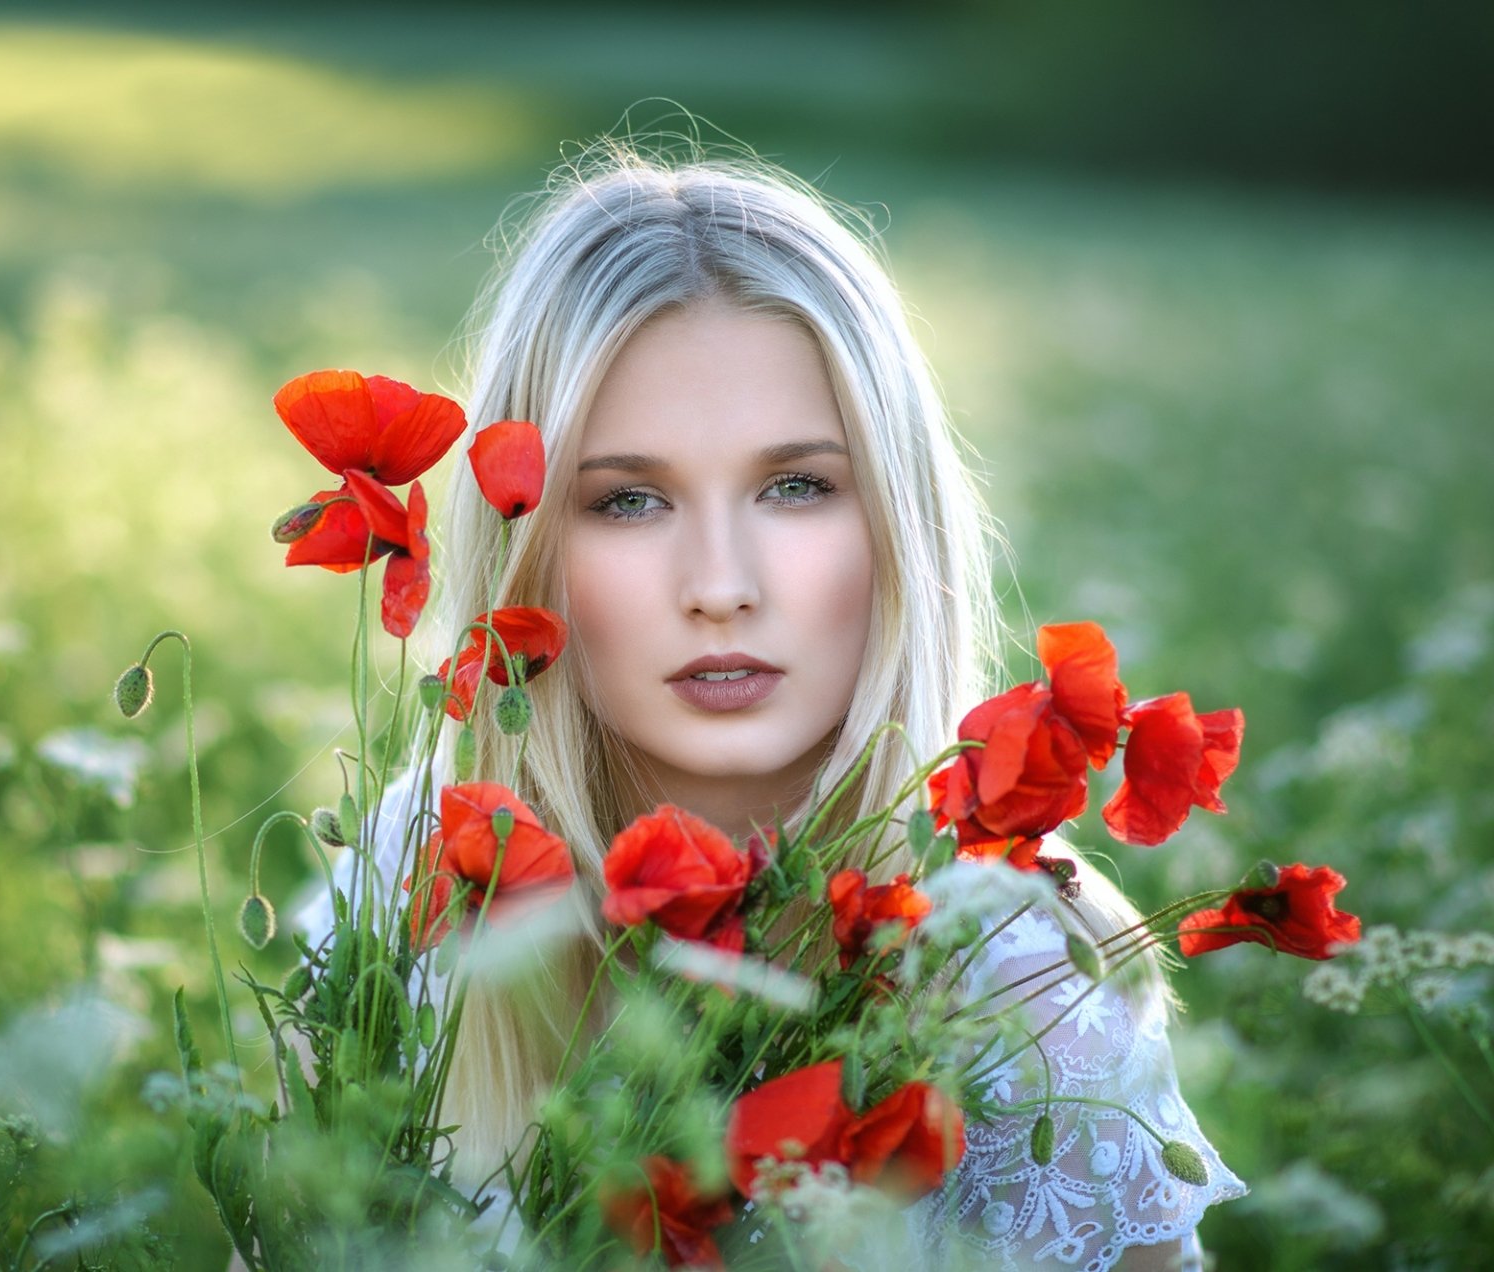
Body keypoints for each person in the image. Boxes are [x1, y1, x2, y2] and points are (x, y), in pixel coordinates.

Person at [297, 137, 1246, 1269]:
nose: (720, 586)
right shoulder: (416, 877)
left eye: (796, 488)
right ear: (528, 547)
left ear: (896, 516)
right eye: (630, 500)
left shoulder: (1018, 978)